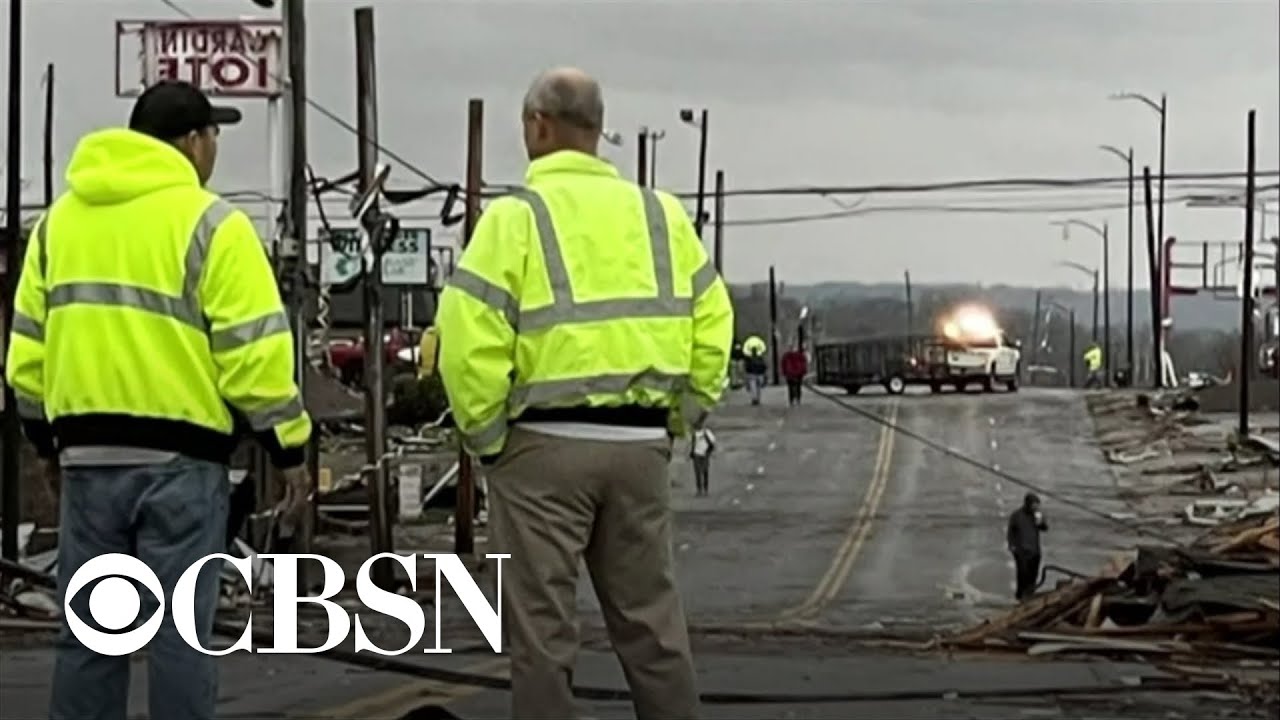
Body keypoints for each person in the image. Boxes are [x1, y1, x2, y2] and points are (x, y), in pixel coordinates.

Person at [4, 80, 314, 720]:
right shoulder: (214, 225)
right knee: (180, 638)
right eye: (214, 136)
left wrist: (44, 446)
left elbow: (27, 357)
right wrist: (290, 448)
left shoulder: (59, 224)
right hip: (182, 465)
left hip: (87, 460)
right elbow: (254, 358)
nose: (216, 150)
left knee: (91, 637)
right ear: (194, 143)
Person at [436, 67, 733, 720]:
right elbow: (714, 322)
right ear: (598, 133)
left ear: (537, 126)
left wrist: (487, 440)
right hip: (639, 446)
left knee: (541, 634)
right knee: (652, 625)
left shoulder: (515, 218)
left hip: (542, 448)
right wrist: (678, 418)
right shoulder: (661, 215)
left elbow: (467, 335)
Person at [1007, 492, 1049, 601]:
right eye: (1034, 505)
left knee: (1033, 575)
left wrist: (1040, 521)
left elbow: (1045, 528)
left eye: (1037, 505)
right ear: (1027, 504)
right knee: (1022, 574)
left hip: (1035, 550)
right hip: (1021, 551)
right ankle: (1021, 596)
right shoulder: (1016, 515)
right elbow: (1011, 531)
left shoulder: (1037, 515)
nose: (1036, 508)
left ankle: (1030, 595)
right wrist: (1012, 546)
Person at [690, 426, 717, 496]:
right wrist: (692, 452)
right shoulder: (695, 434)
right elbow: (693, 444)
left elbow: (712, 443)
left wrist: (708, 452)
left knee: (704, 472)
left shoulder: (707, 433)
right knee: (698, 473)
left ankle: (704, 490)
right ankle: (700, 490)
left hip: (704, 455)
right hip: (697, 454)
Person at [741, 334, 768, 405]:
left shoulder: (748, 359)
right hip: (758, 373)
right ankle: (757, 398)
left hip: (752, 374)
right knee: (758, 387)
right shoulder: (760, 358)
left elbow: (747, 366)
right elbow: (764, 366)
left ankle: (755, 398)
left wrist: (746, 372)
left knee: (753, 387)